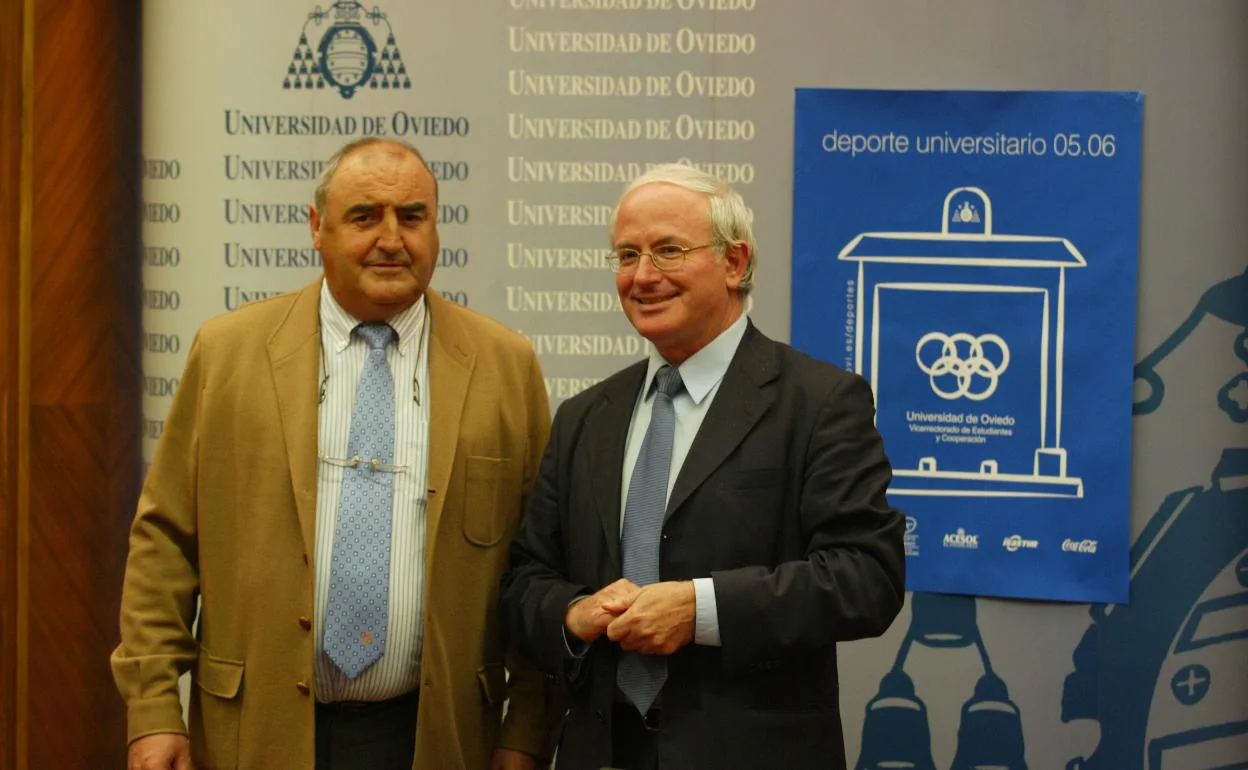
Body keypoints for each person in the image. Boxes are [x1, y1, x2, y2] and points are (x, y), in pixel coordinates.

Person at [112, 138, 561, 770]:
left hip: (436, 735)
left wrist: (528, 729)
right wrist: (154, 709)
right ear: (316, 228)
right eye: (363, 216)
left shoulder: (504, 365)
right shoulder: (228, 352)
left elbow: (540, 561)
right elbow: (164, 543)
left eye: (412, 216)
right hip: (256, 727)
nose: (391, 238)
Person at [499, 163, 906, 769]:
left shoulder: (819, 403)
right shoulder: (587, 416)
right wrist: (573, 613)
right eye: (627, 255)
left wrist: (702, 610)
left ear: (735, 263)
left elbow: (865, 578)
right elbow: (526, 579)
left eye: (667, 251)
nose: (642, 276)